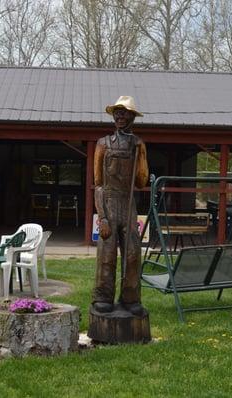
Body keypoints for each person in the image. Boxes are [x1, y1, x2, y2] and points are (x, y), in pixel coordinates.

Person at [92, 96, 149, 316]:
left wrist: (140, 155)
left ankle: (130, 297)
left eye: (125, 113)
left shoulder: (137, 144)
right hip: (108, 202)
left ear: (132, 117)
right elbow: (97, 184)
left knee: (132, 253)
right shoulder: (102, 144)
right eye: (117, 112)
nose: (120, 116)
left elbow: (141, 181)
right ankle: (102, 296)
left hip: (128, 203)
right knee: (107, 254)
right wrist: (103, 217)